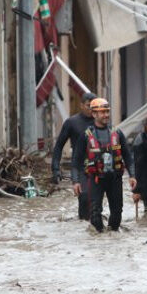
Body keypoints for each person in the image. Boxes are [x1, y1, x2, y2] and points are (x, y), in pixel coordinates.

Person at [82, 98, 135, 232]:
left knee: (117, 215)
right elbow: (76, 160)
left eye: (107, 111)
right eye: (102, 112)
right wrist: (76, 181)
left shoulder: (117, 133)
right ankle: (99, 242)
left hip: (115, 179)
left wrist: (132, 175)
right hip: (96, 179)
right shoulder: (86, 135)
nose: (106, 115)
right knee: (94, 215)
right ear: (94, 114)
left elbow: (128, 156)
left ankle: (112, 240)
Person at [51, 91, 96, 220]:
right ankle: (83, 222)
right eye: (88, 105)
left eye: (94, 106)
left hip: (98, 166)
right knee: (83, 196)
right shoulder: (72, 122)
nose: (91, 109)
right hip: (80, 165)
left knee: (95, 198)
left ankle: (95, 225)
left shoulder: (100, 122)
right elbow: (59, 146)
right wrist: (55, 169)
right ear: (81, 105)